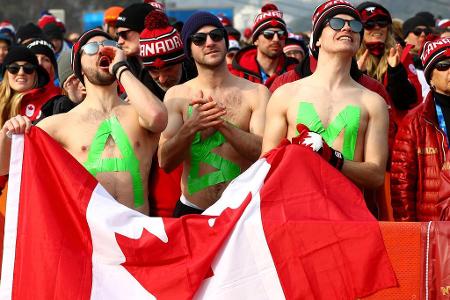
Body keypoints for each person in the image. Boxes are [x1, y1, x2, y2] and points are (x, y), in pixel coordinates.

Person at [0, 29, 167, 215]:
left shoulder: (139, 115)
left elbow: (158, 118)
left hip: (138, 235)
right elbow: (3, 166)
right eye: (92, 48)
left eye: (110, 46)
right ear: (78, 63)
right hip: (90, 239)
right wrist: (7, 133)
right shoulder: (60, 124)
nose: (103, 50)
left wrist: (121, 68)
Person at [262, 1, 389, 192]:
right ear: (317, 38)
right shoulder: (285, 94)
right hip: (294, 211)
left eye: (355, 25)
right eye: (336, 23)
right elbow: (266, 166)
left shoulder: (373, 102)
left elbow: (376, 175)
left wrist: (333, 159)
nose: (347, 27)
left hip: (348, 214)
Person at [159, 12, 269, 217]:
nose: (210, 42)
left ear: (225, 42)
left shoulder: (256, 93)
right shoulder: (177, 96)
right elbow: (165, 162)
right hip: (192, 211)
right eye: (199, 39)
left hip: (242, 213)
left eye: (217, 35)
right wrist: (191, 127)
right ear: (189, 50)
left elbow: (263, 155)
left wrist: (221, 124)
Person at [139, 9, 197, 217]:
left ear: (182, 60)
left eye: (169, 69)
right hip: (158, 211)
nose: (162, 79)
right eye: (154, 71)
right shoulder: (136, 99)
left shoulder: (203, 87)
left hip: (204, 205)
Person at [391, 37, 450, 221]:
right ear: (430, 76)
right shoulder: (414, 121)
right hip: (433, 230)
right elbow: (402, 186)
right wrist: (409, 233)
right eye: (444, 65)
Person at [356, 2, 420, 122]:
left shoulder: (401, 55)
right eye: (369, 24)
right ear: (359, 30)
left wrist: (395, 72)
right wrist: (358, 75)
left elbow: (411, 102)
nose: (377, 27)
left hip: (395, 135)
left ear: (388, 27)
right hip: (361, 131)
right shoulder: (349, 57)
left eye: (382, 22)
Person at [229, 3, 297, 88]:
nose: (276, 39)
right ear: (256, 40)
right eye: (268, 34)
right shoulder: (236, 74)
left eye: (281, 34)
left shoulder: (295, 72)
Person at [115, 2, 154, 89]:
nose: (119, 41)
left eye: (124, 34)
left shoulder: (172, 62)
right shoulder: (121, 63)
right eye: (118, 35)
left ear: (144, 31)